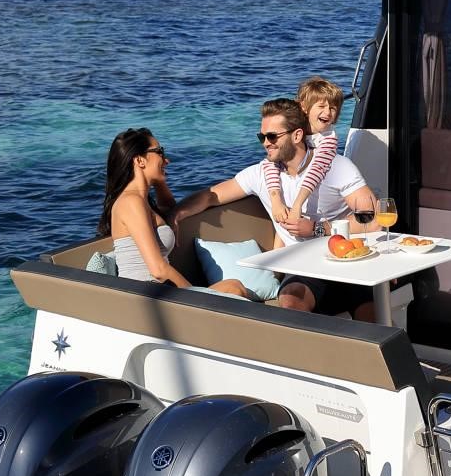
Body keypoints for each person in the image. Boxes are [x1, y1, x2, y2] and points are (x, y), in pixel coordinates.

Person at [176, 99, 377, 316]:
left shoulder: (337, 167)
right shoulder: (260, 174)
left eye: (272, 136)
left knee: (369, 313)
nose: (265, 143)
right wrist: (175, 213)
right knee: (290, 299)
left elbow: (372, 219)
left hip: (348, 258)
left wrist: (318, 228)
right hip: (305, 268)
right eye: (261, 137)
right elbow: (211, 197)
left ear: (297, 135)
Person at [99, 128, 249, 296]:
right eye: (160, 152)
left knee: (234, 286)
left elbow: (170, 210)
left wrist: (158, 180)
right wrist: (194, 295)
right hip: (148, 295)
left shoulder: (141, 201)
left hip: (159, 291)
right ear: (140, 160)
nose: (167, 160)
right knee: (234, 288)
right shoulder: (131, 202)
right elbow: (158, 269)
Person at [263, 76, 345, 238]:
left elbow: (316, 170)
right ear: (304, 107)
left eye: (333, 108)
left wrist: (297, 206)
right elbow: (269, 163)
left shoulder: (328, 139)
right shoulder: (294, 129)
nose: (327, 112)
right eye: (321, 106)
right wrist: (276, 201)